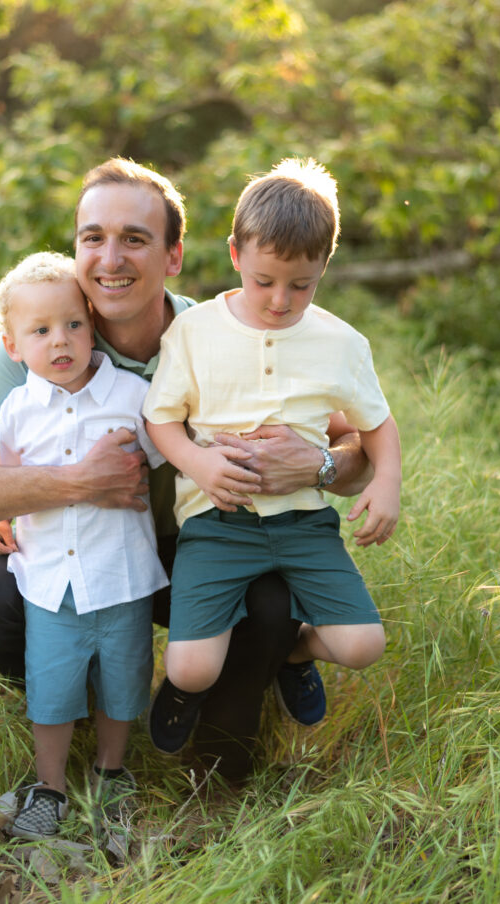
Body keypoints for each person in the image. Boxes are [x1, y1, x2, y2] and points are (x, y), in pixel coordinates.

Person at [0, 157, 373, 781]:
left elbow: (358, 456)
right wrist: (67, 485)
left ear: (173, 256)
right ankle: (88, 705)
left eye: (135, 239)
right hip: (77, 542)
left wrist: (315, 464)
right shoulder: (40, 335)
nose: (110, 258)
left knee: (270, 599)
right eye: (92, 238)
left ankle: (219, 744)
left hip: (198, 546)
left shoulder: (221, 336)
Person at [143, 157, 401, 754]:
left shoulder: (340, 343)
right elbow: (162, 419)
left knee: (363, 645)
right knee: (191, 668)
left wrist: (386, 481)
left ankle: (293, 651)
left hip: (305, 524)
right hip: (217, 522)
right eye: (264, 281)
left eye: (301, 285)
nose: (281, 300)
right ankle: (183, 694)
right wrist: (200, 464)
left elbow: (377, 422)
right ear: (235, 254)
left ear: (323, 268)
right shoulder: (195, 332)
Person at [0, 250, 169, 839]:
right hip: (48, 583)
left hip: (123, 575)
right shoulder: (15, 409)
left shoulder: (131, 398)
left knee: (124, 682)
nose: (59, 341)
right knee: (52, 690)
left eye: (72, 325)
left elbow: (171, 459)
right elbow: (6, 475)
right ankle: (51, 787)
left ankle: (112, 773)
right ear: (14, 347)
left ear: (92, 325)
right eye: (40, 331)